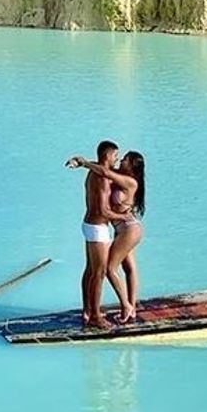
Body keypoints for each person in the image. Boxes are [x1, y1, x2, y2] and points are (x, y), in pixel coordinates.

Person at [67, 150, 146, 324]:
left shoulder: (130, 181)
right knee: (128, 268)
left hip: (130, 228)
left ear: (132, 166)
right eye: (119, 157)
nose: (121, 161)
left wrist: (83, 163)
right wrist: (87, 162)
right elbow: (104, 166)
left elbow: (104, 171)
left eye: (125, 160)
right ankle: (130, 308)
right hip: (121, 229)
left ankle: (127, 306)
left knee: (110, 268)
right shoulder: (119, 174)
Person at [66, 140, 126, 330]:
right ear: (108, 156)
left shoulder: (94, 171)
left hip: (90, 225)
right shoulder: (101, 179)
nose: (117, 159)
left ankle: (87, 310)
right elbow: (103, 210)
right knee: (99, 273)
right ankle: (95, 316)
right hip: (98, 227)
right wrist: (122, 216)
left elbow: (101, 168)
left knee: (90, 270)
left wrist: (83, 162)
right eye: (115, 156)